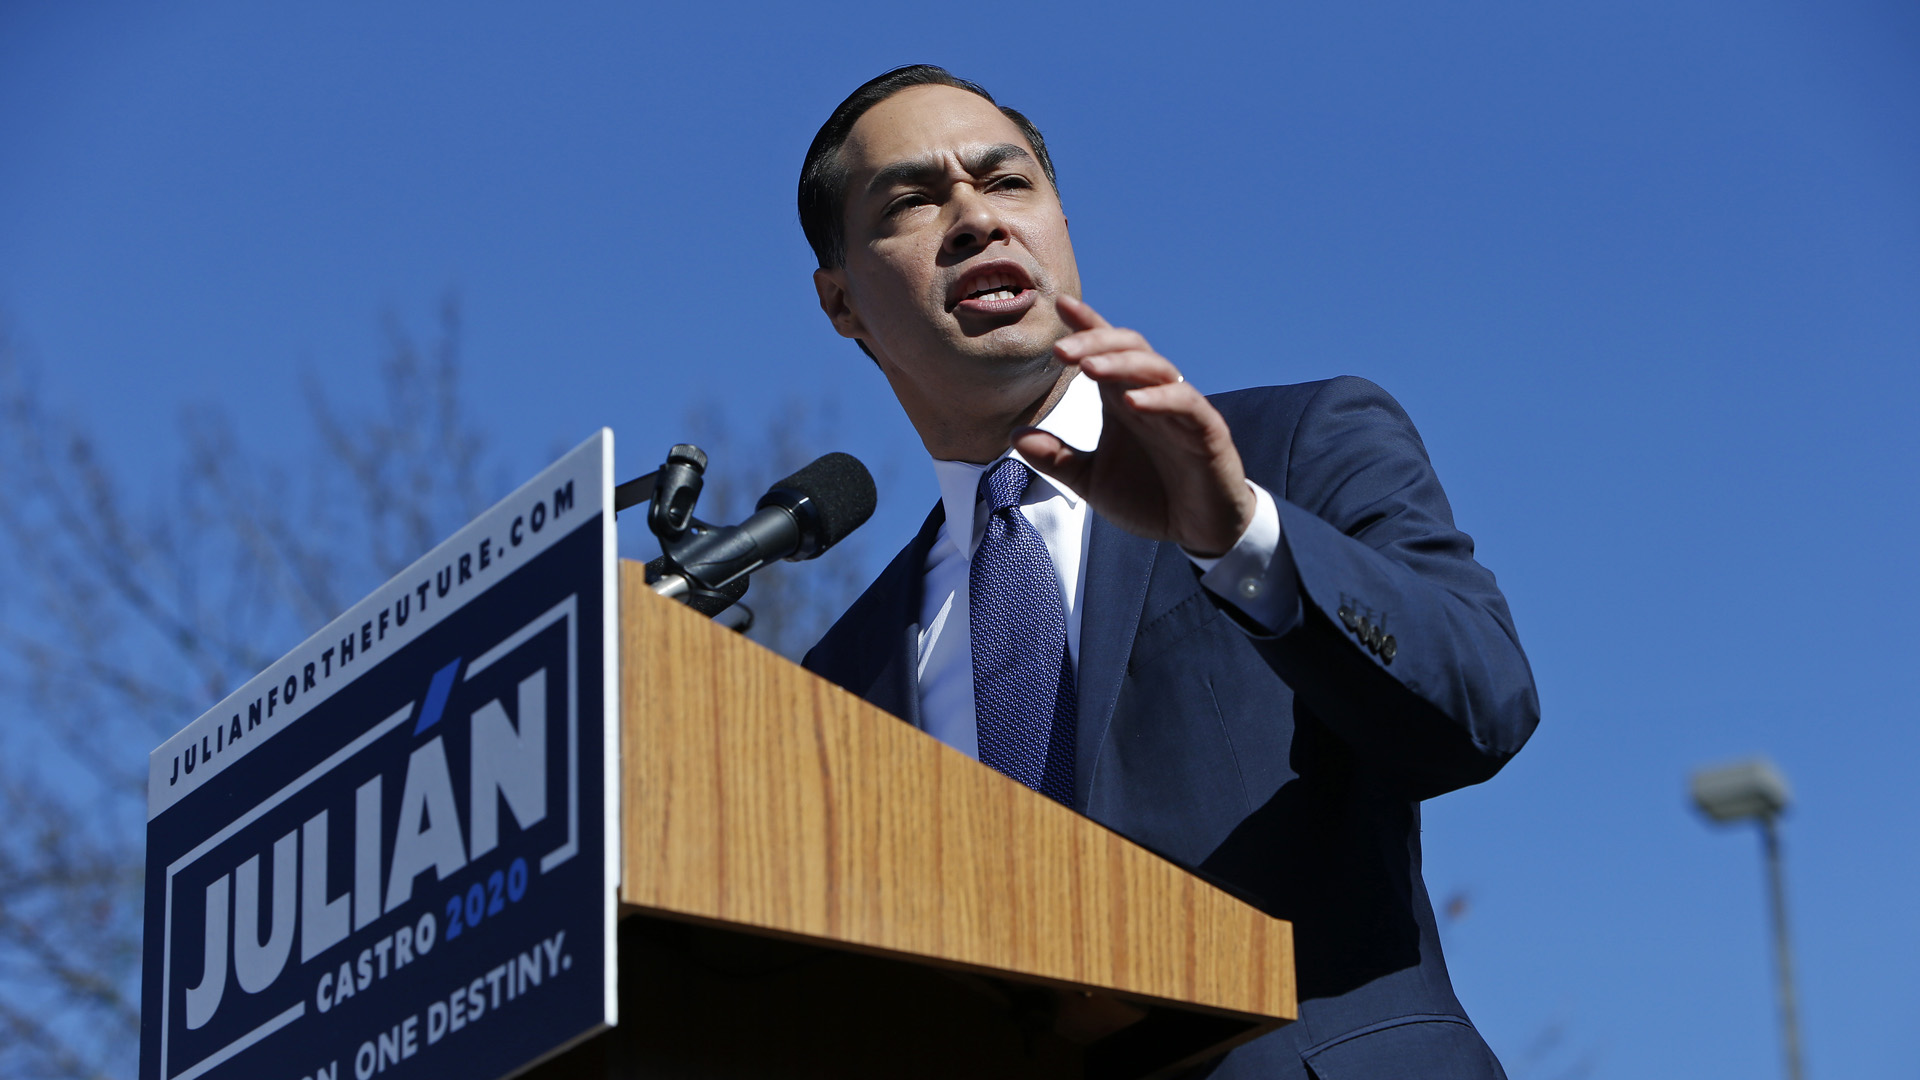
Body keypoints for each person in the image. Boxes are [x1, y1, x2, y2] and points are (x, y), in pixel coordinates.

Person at [798, 65, 1539, 1079]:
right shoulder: (835, 683)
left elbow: (1483, 707)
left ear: (1059, 223)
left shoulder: (1293, 447)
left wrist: (1242, 539)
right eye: (915, 200)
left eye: (1007, 183)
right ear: (841, 301)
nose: (974, 218)